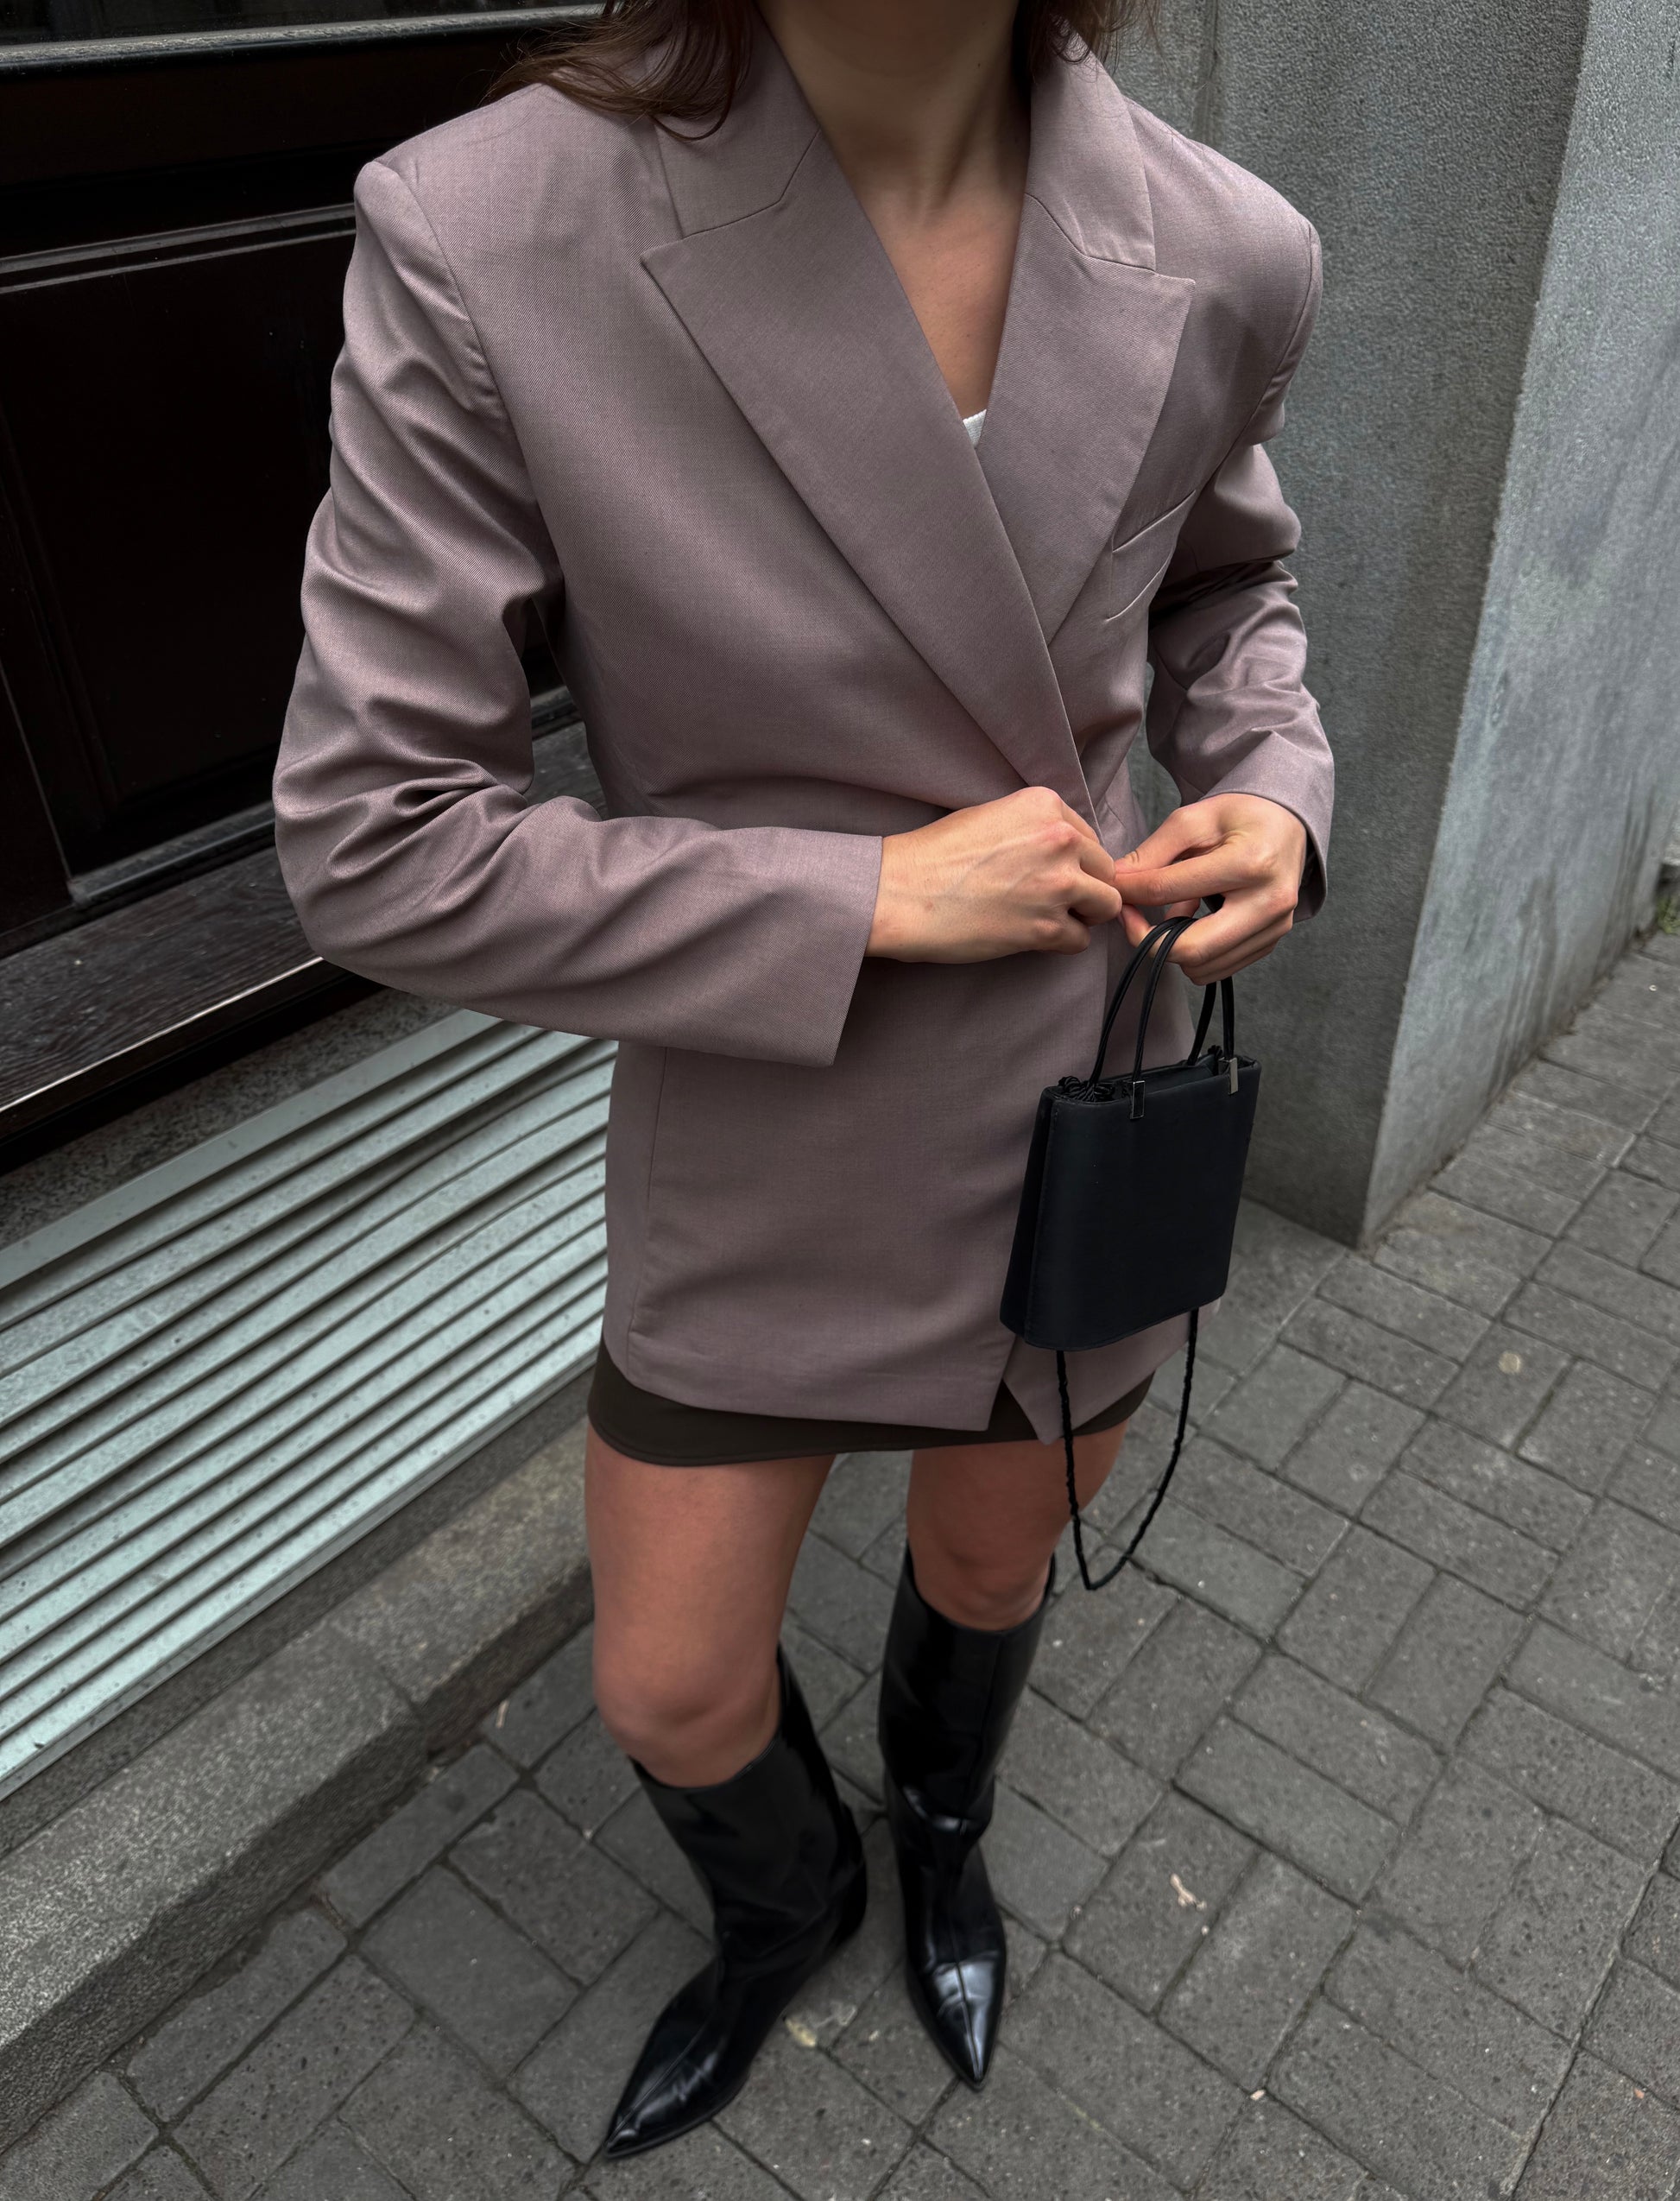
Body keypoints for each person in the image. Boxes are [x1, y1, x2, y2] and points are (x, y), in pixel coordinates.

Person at [274, 0, 1332, 2160]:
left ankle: (940, 1840)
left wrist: (1280, 789)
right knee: (668, 1677)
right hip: (765, 1108)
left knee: (994, 1572)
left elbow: (1231, 591)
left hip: (1084, 1100)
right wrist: (860, 898)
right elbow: (374, 840)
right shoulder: (490, 232)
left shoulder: (1227, 245)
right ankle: (790, 1905)